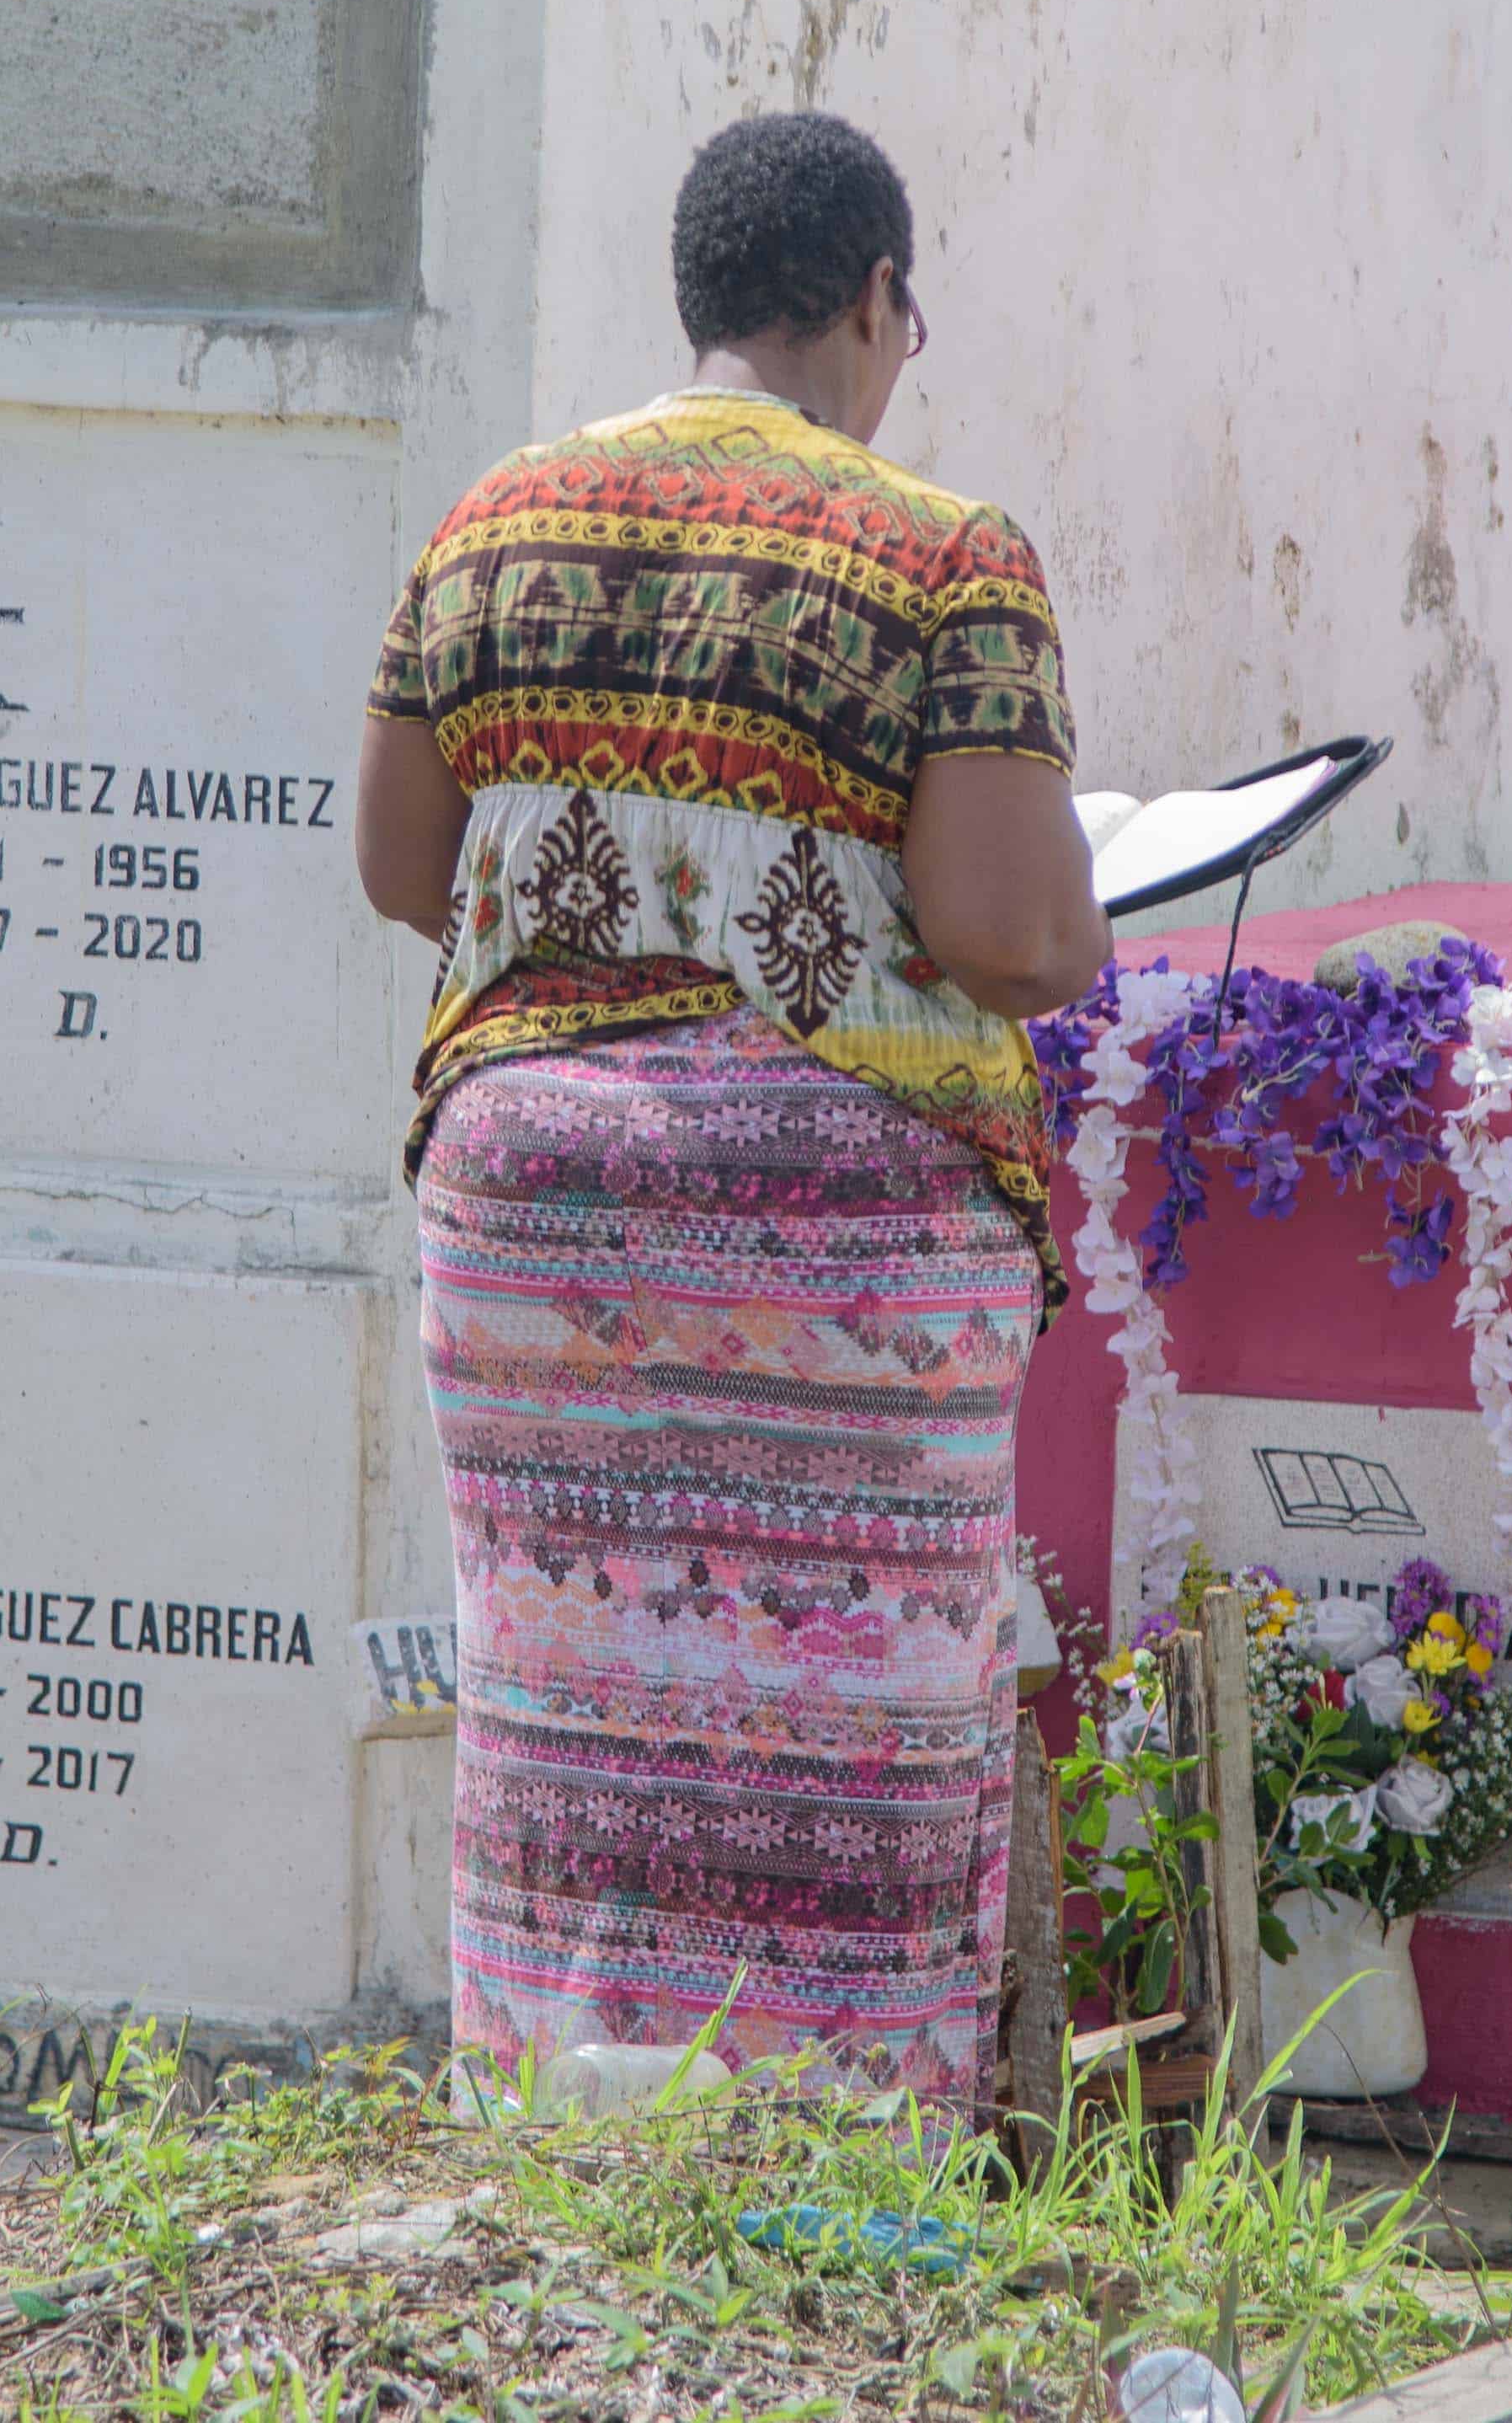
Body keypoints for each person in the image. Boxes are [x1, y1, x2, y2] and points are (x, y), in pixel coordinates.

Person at [353, 111, 1110, 2114]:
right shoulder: (943, 558)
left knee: (572, 1704)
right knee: (841, 1724)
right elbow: (1013, 933)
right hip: (835, 1239)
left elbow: (398, 863)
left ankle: (554, 2103)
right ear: (875, 299)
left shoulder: (494, 519)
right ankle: (836, 2138)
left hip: (528, 1213)